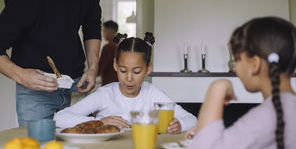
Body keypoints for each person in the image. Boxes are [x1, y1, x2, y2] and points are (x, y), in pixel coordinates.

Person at [186, 17, 296, 149]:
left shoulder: (272, 114)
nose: (236, 67)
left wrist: (217, 87)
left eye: (238, 59)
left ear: (255, 65)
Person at [55, 32, 197, 134]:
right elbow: (60, 118)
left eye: (136, 72)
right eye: (123, 71)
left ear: (148, 69)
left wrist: (180, 125)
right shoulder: (106, 94)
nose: (129, 78)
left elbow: (191, 119)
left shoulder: (152, 93)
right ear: (115, 66)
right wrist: (101, 122)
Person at [97, 20, 119, 86]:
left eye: (104, 31)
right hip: (118, 80)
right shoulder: (119, 45)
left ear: (110, 31)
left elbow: (101, 66)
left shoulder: (109, 47)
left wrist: (92, 74)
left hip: (109, 81)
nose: (103, 34)